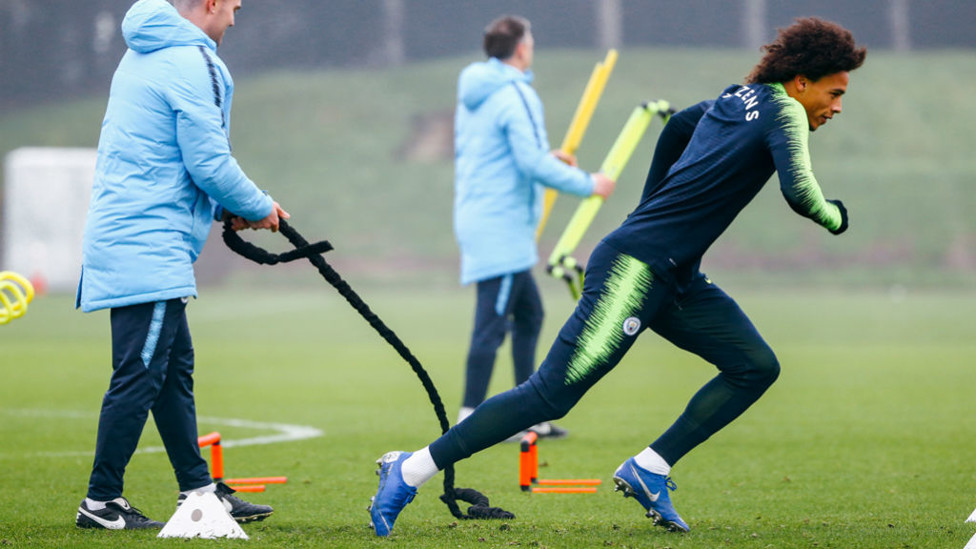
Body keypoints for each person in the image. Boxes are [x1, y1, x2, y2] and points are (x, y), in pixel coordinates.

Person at [369, 17, 866, 536]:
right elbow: (801, 194)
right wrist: (837, 215)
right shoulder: (782, 110)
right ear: (801, 81)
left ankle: (649, 468)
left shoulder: (738, 96)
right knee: (549, 395)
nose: (836, 108)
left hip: (673, 274)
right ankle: (409, 468)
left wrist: (653, 207)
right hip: (635, 269)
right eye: (834, 93)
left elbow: (676, 127)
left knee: (754, 366)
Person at [75, 0, 286, 530]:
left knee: (171, 372)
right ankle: (101, 501)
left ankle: (198, 487)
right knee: (141, 373)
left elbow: (163, 158)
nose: (235, 19)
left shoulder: (142, 52)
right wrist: (258, 205)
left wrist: (227, 207)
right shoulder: (195, 59)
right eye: (234, 6)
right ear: (211, 3)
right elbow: (208, 160)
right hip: (146, 243)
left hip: (137, 237)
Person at [452, 15, 615, 438]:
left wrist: (549, 158)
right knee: (491, 326)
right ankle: (469, 421)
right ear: (522, 49)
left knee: (530, 314)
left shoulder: (475, 91)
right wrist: (588, 184)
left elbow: (502, 155)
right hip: (500, 226)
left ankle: (529, 414)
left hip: (482, 217)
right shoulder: (515, 93)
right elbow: (528, 162)